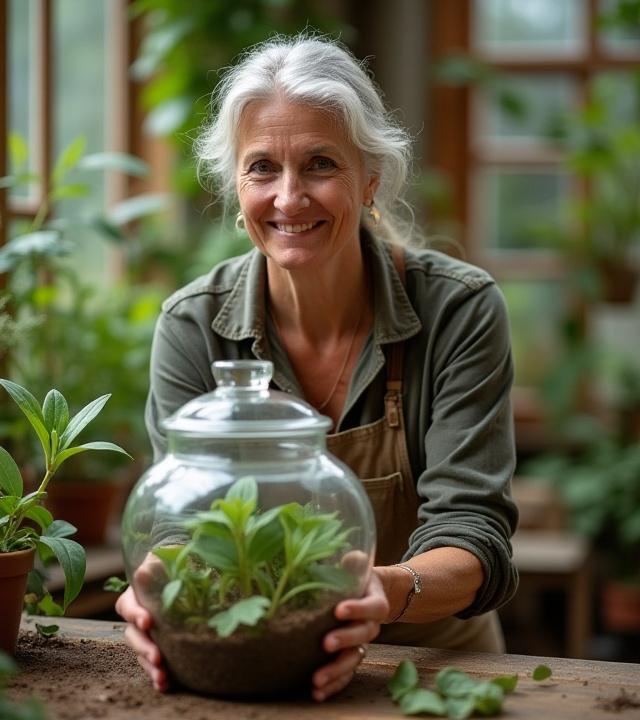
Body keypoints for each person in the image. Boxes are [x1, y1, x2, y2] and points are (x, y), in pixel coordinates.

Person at [116, 34, 519, 702]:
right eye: (262, 168)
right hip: (264, 660)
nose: (289, 198)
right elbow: (181, 525)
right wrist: (157, 589)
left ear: (371, 179)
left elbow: (474, 530)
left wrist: (383, 593)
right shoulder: (191, 325)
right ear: (234, 184)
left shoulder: (459, 310)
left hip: (438, 669)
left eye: (320, 164)